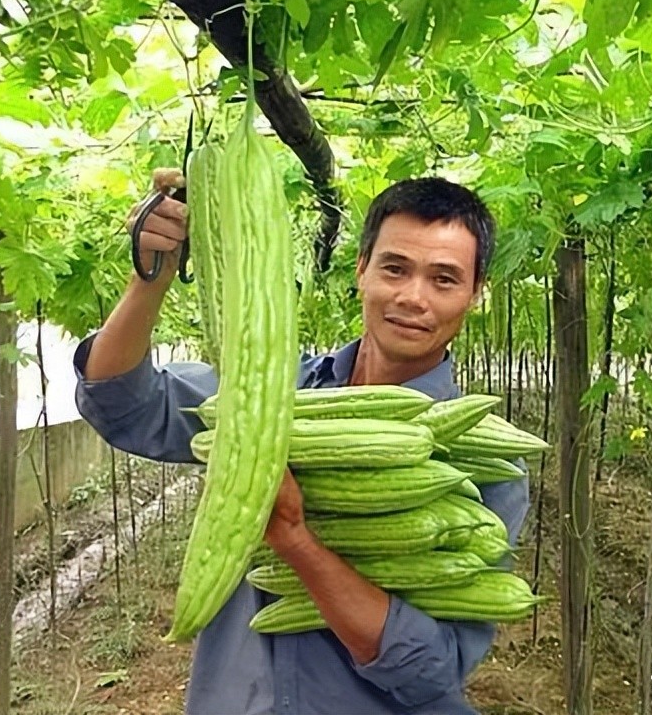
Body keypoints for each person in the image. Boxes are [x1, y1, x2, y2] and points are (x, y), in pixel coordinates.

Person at [73, 172, 531, 715]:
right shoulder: (270, 388)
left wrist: (296, 541)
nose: (413, 297)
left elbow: (433, 670)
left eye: (444, 279)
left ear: (475, 295)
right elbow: (124, 404)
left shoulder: (487, 463)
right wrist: (151, 276)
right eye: (394, 268)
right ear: (361, 270)